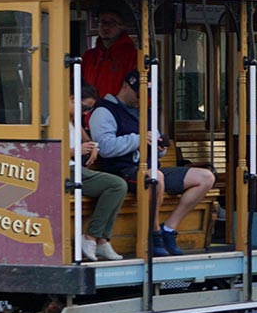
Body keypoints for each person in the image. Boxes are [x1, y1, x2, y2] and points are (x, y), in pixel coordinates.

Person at [89, 69, 216, 256]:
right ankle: (153, 232)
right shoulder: (104, 111)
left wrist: (160, 148)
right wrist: (139, 139)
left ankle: (169, 229)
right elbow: (105, 148)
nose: (142, 99)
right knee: (156, 177)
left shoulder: (145, 112)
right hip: (122, 171)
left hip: (152, 168)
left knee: (205, 177)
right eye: (138, 94)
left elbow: (156, 145)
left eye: (146, 95)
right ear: (125, 86)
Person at [70, 85, 126, 261]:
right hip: (64, 170)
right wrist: (76, 150)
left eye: (89, 109)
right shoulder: (54, 119)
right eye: (84, 107)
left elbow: (89, 141)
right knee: (117, 185)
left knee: (118, 186)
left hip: (77, 169)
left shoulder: (73, 120)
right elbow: (49, 151)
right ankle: (91, 237)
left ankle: (101, 240)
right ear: (72, 99)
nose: (86, 113)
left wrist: (94, 147)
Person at [81, 0, 138, 97]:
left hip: (116, 111)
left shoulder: (133, 56)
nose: (105, 27)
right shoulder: (88, 56)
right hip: (89, 111)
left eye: (112, 22)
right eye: (102, 22)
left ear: (122, 26)